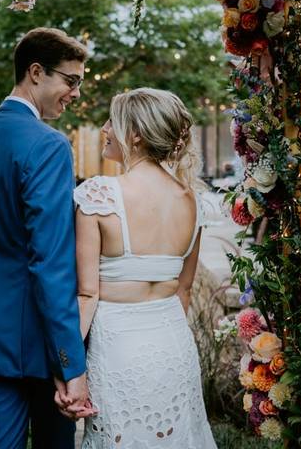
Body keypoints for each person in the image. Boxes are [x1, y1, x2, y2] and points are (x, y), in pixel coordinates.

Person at [0, 27, 94, 449]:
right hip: (41, 347)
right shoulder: (49, 146)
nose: (75, 93)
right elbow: (50, 262)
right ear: (36, 72)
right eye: (70, 81)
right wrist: (69, 361)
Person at [72, 88, 217, 448]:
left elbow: (87, 295)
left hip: (118, 347)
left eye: (111, 121)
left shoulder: (98, 195)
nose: (105, 128)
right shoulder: (193, 201)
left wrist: (68, 370)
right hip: (172, 344)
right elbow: (183, 290)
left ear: (135, 134)